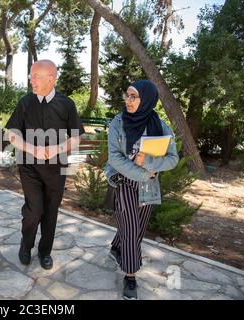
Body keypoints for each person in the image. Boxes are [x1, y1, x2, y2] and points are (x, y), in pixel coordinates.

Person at [5, 60, 85, 270]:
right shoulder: (25, 102)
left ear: (51, 78)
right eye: (31, 76)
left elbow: (76, 138)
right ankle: (26, 245)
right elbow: (12, 134)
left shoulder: (67, 104)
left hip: (57, 168)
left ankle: (45, 252)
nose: (32, 80)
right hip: (29, 165)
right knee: (34, 210)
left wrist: (56, 149)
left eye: (36, 76)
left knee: (51, 211)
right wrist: (32, 149)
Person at [104, 80, 179, 300]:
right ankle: (130, 276)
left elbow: (173, 159)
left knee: (137, 228)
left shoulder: (161, 126)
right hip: (125, 181)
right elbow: (114, 158)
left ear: (146, 99)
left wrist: (149, 164)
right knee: (131, 226)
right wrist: (144, 172)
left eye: (133, 96)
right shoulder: (118, 123)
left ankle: (116, 248)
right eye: (127, 95)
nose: (128, 100)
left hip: (148, 186)